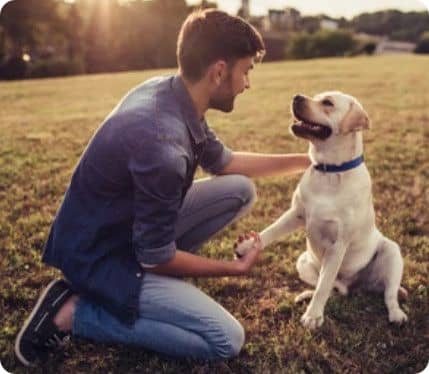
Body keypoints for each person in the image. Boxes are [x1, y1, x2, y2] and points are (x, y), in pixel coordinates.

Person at [14, 9, 310, 366]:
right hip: (101, 257)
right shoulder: (162, 146)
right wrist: (233, 268)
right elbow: (155, 257)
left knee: (239, 189)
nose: (247, 83)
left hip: (121, 231)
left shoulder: (172, 91)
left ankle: (158, 290)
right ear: (219, 71)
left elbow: (226, 162)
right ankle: (73, 312)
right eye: (246, 71)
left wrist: (309, 161)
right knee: (225, 340)